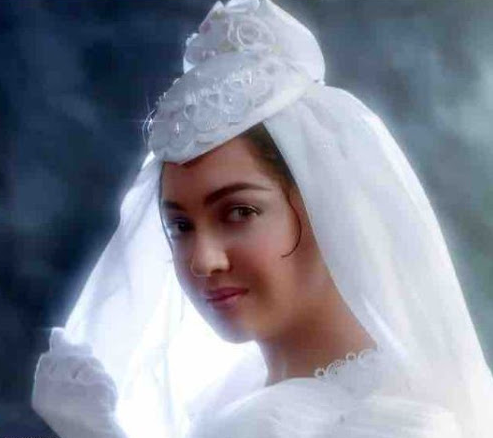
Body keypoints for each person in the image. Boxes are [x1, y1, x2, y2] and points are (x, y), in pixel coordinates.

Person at [31, 0, 493, 437]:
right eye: (180, 226)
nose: (203, 261)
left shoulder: (393, 421)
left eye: (239, 212)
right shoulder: (223, 396)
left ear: (323, 204)